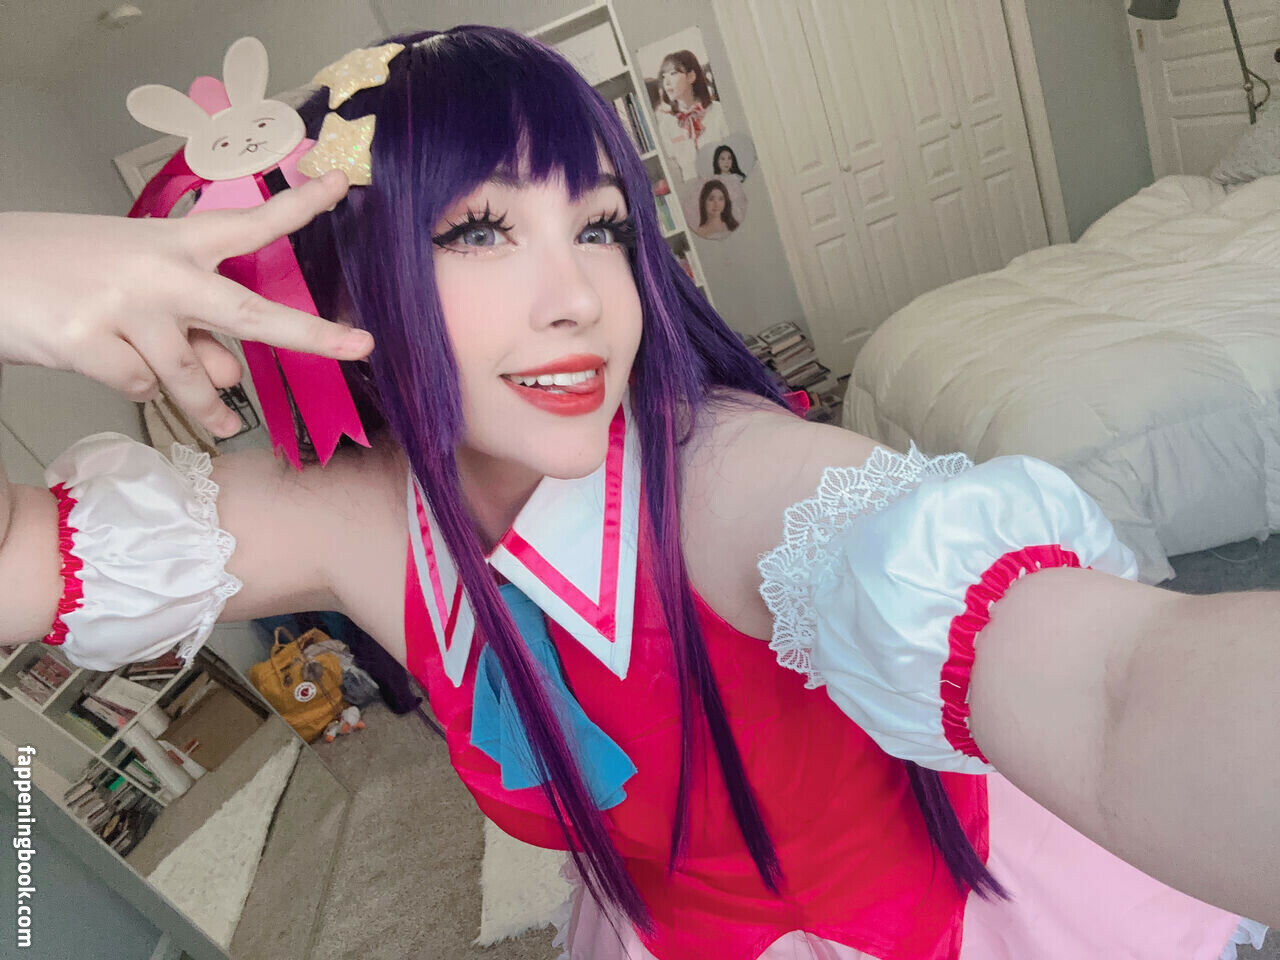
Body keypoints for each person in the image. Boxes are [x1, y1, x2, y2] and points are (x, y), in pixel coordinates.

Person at [0, 25, 1276, 960]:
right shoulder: (346, 513)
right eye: (479, 231)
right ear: (348, 266)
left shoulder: (727, 475)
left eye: (599, 227)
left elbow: (1110, 688)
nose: (578, 298)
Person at [652, 49, 728, 180]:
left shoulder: (719, 112)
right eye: (664, 77)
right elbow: (676, 175)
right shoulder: (666, 126)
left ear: (691, 76)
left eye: (673, 73)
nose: (667, 82)